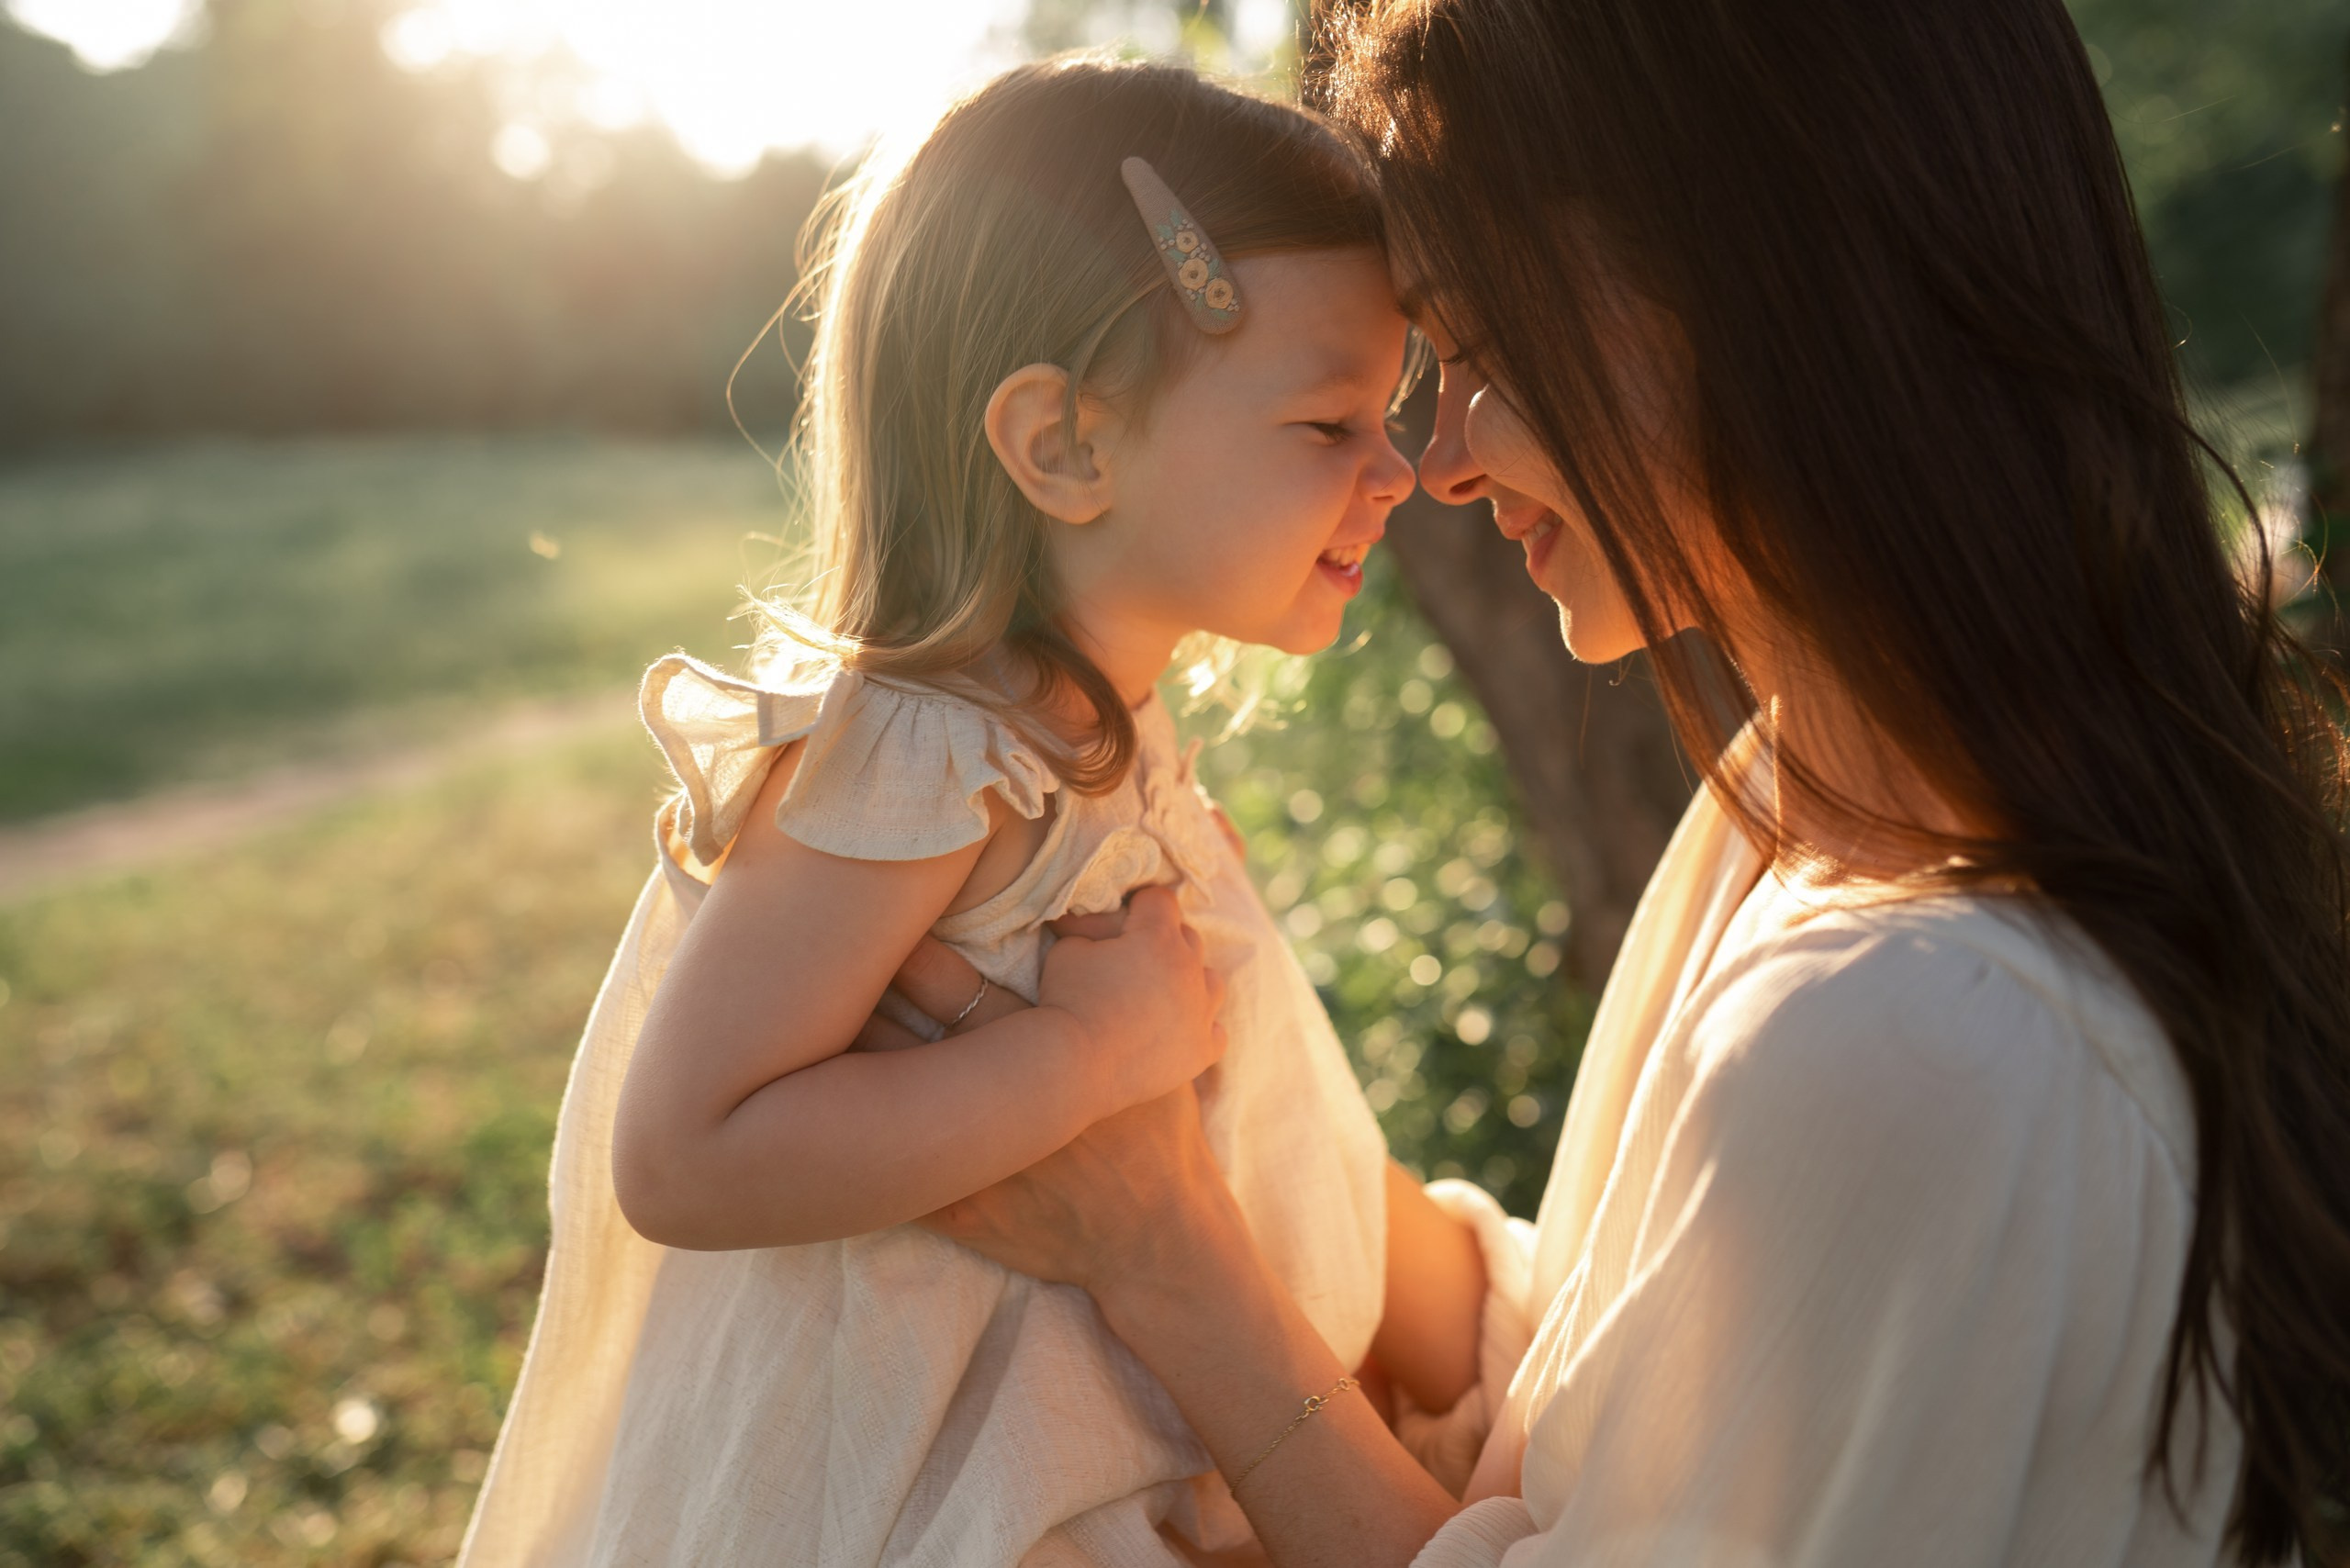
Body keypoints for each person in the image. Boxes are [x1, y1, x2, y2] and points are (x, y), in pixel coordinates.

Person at [890, 2, 2350, 1565]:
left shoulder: (1925, 1034)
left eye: (1493, 349)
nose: (1440, 460)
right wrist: (1223, 1090)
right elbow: (1626, 1397)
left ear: (1775, 287)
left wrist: (1164, 1253)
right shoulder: (1805, 792)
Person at [456, 56, 1447, 1568]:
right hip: (930, 1507)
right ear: (1061, 445)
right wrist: (1085, 1053)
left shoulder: (1100, 734)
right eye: (1330, 426)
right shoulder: (915, 755)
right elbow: (685, 1151)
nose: (1400, 471)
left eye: (1390, 417)